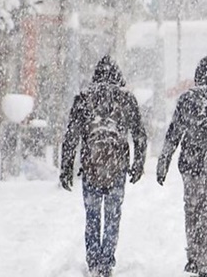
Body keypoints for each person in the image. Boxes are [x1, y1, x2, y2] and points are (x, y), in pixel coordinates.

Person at [60, 55, 148, 277]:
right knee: (112, 215)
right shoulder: (127, 99)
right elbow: (140, 135)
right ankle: (107, 262)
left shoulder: (83, 98)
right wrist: (139, 163)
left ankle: (93, 262)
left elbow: (71, 137)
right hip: (117, 167)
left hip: (91, 167)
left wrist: (66, 167)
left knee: (92, 216)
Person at [156, 55, 207, 277]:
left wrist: (164, 162)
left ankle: (193, 256)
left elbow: (174, 133)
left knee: (193, 211)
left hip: (192, 166)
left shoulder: (187, 99)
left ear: (198, 74)